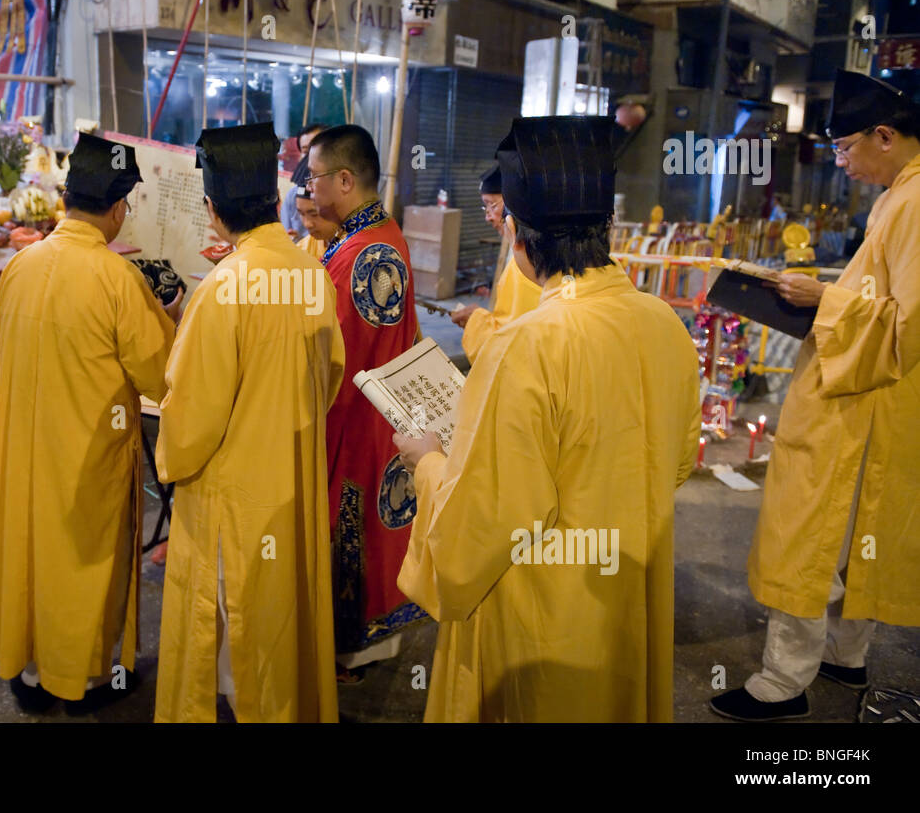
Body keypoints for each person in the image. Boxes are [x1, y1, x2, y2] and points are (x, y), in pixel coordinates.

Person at [394, 116, 700, 722]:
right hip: (627, 585)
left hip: (545, 606)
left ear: (520, 235)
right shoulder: (663, 321)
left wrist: (427, 461)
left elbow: (487, 521)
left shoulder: (529, 341)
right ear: (605, 227)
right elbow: (679, 460)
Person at [711, 70, 920, 721]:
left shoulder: (914, 201)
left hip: (866, 402)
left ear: (885, 135)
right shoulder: (898, 194)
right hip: (874, 401)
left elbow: (905, 325)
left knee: (813, 535)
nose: (840, 161)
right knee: (860, 537)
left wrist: (821, 297)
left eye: (845, 147)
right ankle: (846, 654)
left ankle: (783, 682)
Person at [154, 122, 345, 722]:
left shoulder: (224, 288)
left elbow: (192, 414)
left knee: (235, 629)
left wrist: (170, 464)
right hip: (291, 477)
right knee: (280, 618)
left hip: (234, 495)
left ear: (212, 210)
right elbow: (330, 371)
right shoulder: (310, 270)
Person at [0, 132, 179, 715]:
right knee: (86, 566)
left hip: (24, 451)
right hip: (86, 454)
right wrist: (170, 316)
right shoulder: (116, 278)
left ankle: (32, 668)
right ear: (119, 207)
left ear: (68, 198)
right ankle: (85, 680)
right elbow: (159, 376)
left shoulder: (20, 264)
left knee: (32, 557)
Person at [305, 124, 421, 677]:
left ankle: (349, 650)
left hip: (356, 423)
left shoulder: (361, 254)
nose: (309, 187)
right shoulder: (378, 236)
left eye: (315, 176)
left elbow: (335, 358)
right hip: (383, 414)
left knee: (352, 538)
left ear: (345, 180)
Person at [450, 166, 540, 363]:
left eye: (492, 205)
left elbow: (512, 344)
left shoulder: (526, 263)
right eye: (485, 207)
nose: (488, 216)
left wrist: (476, 322)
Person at [280, 123, 326, 238]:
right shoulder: (293, 195)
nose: (311, 156)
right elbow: (287, 236)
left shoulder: (337, 192)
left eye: (316, 148)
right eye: (306, 151)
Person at [293, 182, 340, 262]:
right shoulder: (302, 249)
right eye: (301, 214)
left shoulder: (353, 247)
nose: (307, 224)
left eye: (314, 214)